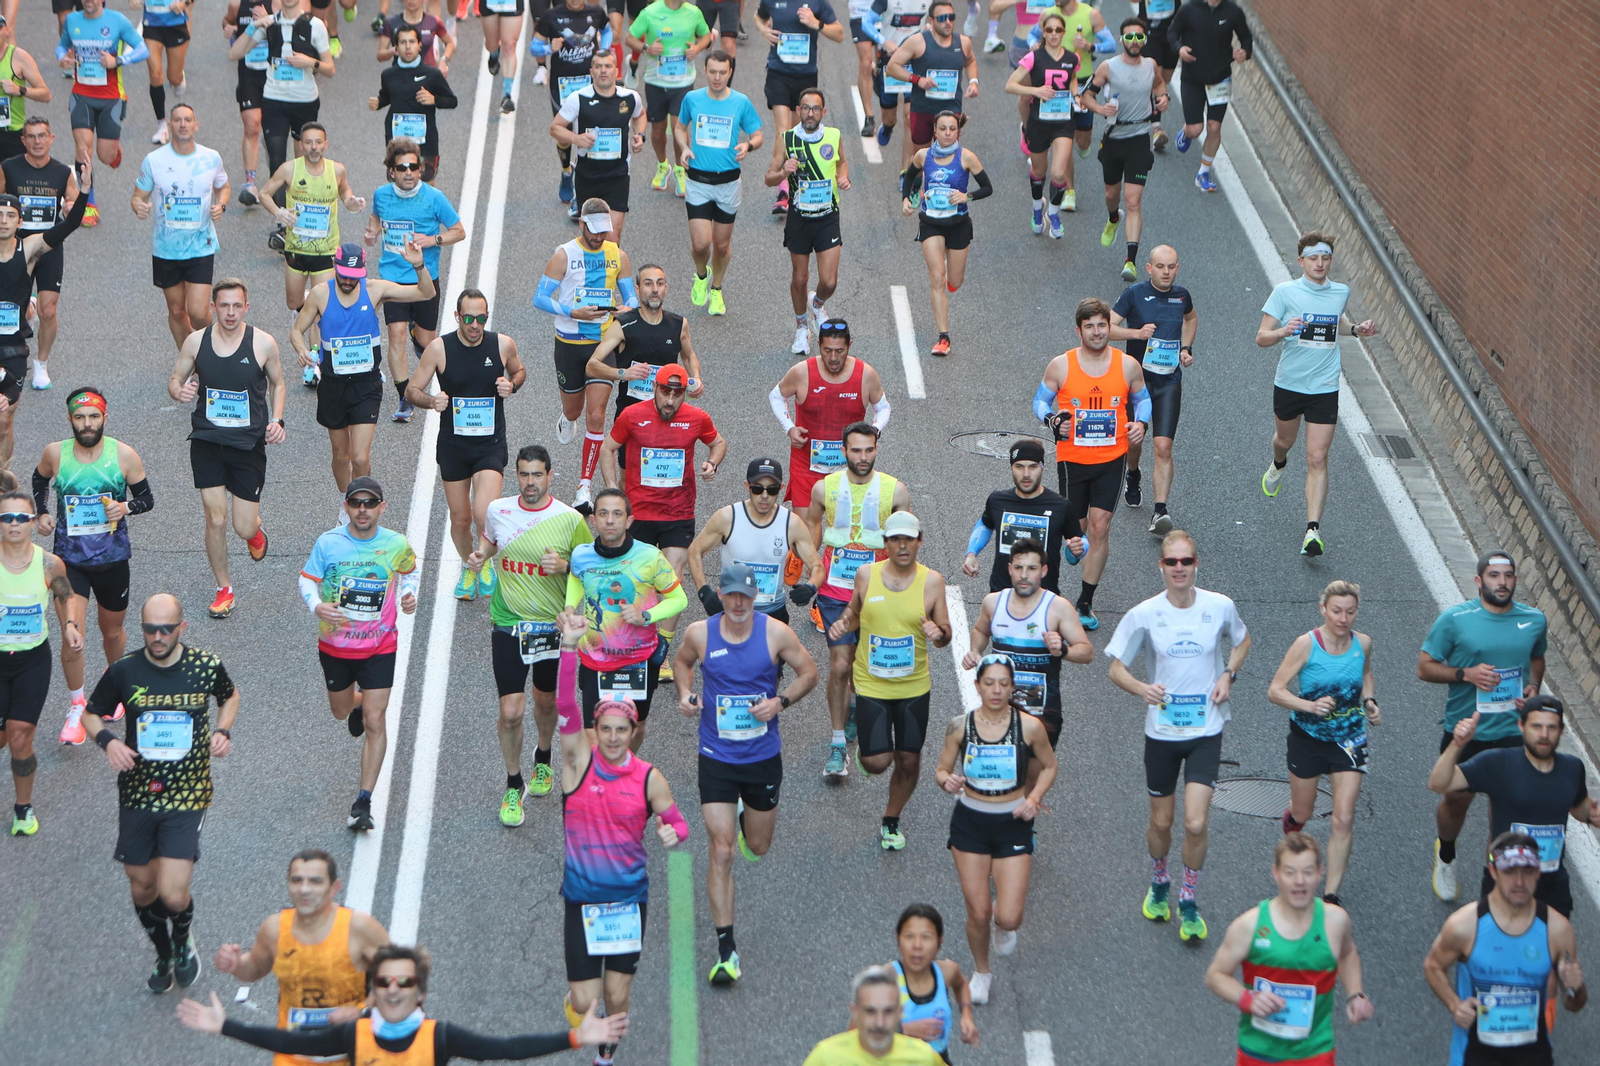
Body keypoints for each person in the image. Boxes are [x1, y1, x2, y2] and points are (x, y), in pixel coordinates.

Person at [81, 593, 238, 992]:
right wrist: (107, 742)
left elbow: (230, 695)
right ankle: (164, 950)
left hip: (188, 792)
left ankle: (183, 942)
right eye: (150, 628)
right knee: (141, 883)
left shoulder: (204, 665)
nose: (157, 636)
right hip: (138, 790)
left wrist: (222, 730)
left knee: (171, 891)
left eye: (166, 629)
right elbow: (91, 712)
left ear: (182, 628)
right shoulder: (124, 670)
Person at [551, 607, 687, 1066]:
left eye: (621, 730)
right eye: (605, 729)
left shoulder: (650, 778)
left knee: (617, 994)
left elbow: (679, 822)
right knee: (586, 1006)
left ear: (633, 732)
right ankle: (586, 1021)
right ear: (595, 730)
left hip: (627, 901)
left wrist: (674, 833)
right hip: (583, 899)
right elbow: (565, 706)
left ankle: (606, 1058)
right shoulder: (576, 765)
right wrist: (570, 647)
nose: (611, 738)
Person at [673, 561, 818, 984]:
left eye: (745, 596)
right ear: (721, 594)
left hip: (761, 756)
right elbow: (682, 664)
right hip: (716, 755)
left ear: (755, 598)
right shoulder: (700, 633)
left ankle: (744, 818)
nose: (737, 603)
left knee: (758, 845)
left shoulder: (776, 633)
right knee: (721, 850)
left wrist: (782, 703)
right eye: (731, 594)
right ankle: (726, 950)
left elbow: (809, 673)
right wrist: (684, 693)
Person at [1105, 529, 1249, 942]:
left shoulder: (1219, 607)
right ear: (1161, 567)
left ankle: (1188, 898)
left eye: (1186, 561)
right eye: (1172, 562)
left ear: (1197, 564)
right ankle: (1159, 880)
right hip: (1163, 733)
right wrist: (1142, 689)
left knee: (1197, 821)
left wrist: (1228, 673)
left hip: (1206, 729)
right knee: (1162, 822)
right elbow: (1115, 666)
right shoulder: (1145, 614)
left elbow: (1242, 641)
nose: (1180, 568)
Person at [177, 943, 630, 1059]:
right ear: (373, 992)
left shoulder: (441, 1038)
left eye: (404, 983)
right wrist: (225, 1026)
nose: (394, 989)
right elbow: (291, 1043)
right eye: (386, 982)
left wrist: (575, 1036)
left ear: (421, 992)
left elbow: (507, 1049)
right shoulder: (353, 1035)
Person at [465, 444, 594, 826]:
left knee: (546, 700)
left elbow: (591, 569)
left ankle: (542, 757)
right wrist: (481, 555)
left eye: (538, 474)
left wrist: (566, 564)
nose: (530, 482)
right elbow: (490, 540)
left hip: (551, 626)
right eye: (524, 474)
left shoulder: (570, 519)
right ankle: (512, 782)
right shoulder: (498, 510)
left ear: (551, 475)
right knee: (510, 710)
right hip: (509, 622)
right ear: (516, 476)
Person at [1418, 550, 1549, 903]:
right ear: (1479, 581)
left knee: (1505, 808)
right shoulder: (1455, 620)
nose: (1502, 582)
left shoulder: (1534, 619)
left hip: (1512, 731)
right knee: (1456, 800)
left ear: (1515, 580)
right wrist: (1466, 674)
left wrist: (1533, 686)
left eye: (1508, 576)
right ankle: (1446, 853)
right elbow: (1425, 667)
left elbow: (1536, 657)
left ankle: (1497, 881)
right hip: (1466, 730)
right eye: (1494, 576)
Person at [32, 387, 153, 747]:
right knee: (74, 635)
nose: (87, 424)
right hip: (70, 563)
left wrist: (126, 508)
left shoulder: (123, 455)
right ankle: (77, 706)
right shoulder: (56, 453)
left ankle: (114, 686)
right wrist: (41, 513)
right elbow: (40, 480)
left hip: (113, 559)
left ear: (105, 418)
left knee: (112, 633)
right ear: (70, 419)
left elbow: (147, 497)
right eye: (80, 417)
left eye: (94, 417)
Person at [933, 653, 1055, 1004]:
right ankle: (981, 972)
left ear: (1013, 687)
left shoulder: (1029, 727)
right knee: (978, 911)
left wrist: (1034, 798)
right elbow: (940, 770)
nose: (996, 690)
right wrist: (948, 780)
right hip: (970, 822)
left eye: (1003, 684)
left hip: (1012, 823)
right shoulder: (960, 726)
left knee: (1009, 916)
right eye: (989, 683)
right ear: (977, 686)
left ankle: (1003, 927)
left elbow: (1048, 766)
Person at [300, 477, 420, 832]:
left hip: (380, 646)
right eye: (356, 503)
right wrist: (317, 606)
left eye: (370, 503)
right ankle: (355, 702)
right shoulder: (328, 543)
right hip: (336, 647)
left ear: (382, 507)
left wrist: (408, 596)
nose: (363, 510)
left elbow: (409, 572)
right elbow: (307, 579)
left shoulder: (396, 544)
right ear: (346, 507)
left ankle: (363, 801)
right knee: (340, 711)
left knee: (374, 721)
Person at [828, 511, 950, 850]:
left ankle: (891, 819)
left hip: (913, 686)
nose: (902, 546)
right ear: (885, 544)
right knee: (876, 761)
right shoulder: (867, 575)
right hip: (872, 683)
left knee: (909, 759)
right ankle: (874, 752)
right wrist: (843, 624)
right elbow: (853, 612)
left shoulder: (932, 582)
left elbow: (945, 636)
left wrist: (937, 633)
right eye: (896, 539)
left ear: (919, 541)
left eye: (909, 539)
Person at [168, 278, 286, 619]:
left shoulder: (263, 343)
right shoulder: (195, 341)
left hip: (247, 444)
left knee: (242, 526)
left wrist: (277, 420)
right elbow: (174, 380)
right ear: (213, 308)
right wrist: (179, 392)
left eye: (237, 306)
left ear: (246, 307)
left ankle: (255, 532)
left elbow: (279, 384)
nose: (230, 312)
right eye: (224, 306)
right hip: (207, 440)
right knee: (215, 517)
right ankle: (224, 588)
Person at [599, 360, 725, 679]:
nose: (670, 400)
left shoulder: (697, 418)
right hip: (639, 513)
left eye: (677, 393)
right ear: (654, 388)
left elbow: (718, 443)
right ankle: (629, 644)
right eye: (665, 392)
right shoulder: (632, 415)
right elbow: (608, 448)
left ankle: (661, 652)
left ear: (685, 393)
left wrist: (712, 463)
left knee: (672, 580)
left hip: (678, 513)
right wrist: (614, 489)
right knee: (638, 581)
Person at [1204, 834, 1375, 1064]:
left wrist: (1355, 993)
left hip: (1315, 1051)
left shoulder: (1335, 921)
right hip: (1259, 1051)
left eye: (1307, 872)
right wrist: (1247, 999)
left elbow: (1346, 954)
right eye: (1290, 872)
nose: (1299, 882)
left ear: (1319, 873)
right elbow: (1215, 975)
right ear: (1275, 874)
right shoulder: (1249, 925)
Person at [1256, 231, 1377, 556]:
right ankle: (1278, 464)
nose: (1320, 263)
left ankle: (1312, 530)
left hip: (1325, 386)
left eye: (1325, 258)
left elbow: (1332, 322)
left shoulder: (1340, 292)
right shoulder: (1285, 292)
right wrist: (1282, 331)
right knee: (1284, 441)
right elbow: (1261, 337)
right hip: (1290, 384)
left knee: (1318, 457)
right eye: (1313, 258)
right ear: (1301, 261)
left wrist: (1355, 330)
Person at [1423, 831, 1588, 1066]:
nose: (1519, 881)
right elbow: (1433, 965)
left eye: (1527, 871)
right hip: (1473, 1056)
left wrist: (1576, 988)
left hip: (1533, 1056)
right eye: (1510, 871)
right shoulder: (1465, 925)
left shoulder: (1557, 930)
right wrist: (1454, 1004)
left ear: (1538, 872)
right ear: (1493, 872)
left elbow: (1574, 1003)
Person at [1034, 296, 1149, 629]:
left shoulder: (1127, 365)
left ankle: (1085, 602)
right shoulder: (1061, 365)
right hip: (1073, 460)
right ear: (1079, 330)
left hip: (1112, 458)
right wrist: (1053, 421)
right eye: (1090, 327)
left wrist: (1140, 424)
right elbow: (1040, 400)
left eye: (1102, 325)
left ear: (1109, 329)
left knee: (1100, 527)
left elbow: (1143, 401)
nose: (1097, 332)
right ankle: (1075, 540)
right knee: (1079, 529)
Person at [1429, 696, 1599, 920]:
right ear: (1521, 726)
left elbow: (1578, 807)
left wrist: (1591, 814)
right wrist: (1457, 744)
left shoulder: (1572, 767)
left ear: (1562, 731)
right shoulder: (1497, 763)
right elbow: (1438, 783)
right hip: (1504, 883)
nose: (1544, 735)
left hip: (1552, 886)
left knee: (1553, 952)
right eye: (1536, 726)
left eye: (1551, 727)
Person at [406, 288, 526, 601]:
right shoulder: (438, 349)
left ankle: (484, 561)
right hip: (454, 446)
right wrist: (432, 401)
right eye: (469, 318)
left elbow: (519, 370)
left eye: (482, 318)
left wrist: (511, 384)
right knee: (460, 520)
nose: (475, 325)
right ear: (457, 316)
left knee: (484, 514)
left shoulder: (502, 344)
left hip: (490, 444)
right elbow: (411, 390)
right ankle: (470, 565)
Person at [804, 421, 909, 778]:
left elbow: (903, 544)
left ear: (876, 449)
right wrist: (810, 565)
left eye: (869, 450)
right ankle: (837, 746)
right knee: (839, 664)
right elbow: (813, 527)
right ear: (843, 450)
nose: (863, 457)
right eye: (855, 450)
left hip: (877, 592)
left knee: (865, 666)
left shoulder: (895, 491)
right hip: (834, 591)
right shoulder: (824, 488)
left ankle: (853, 709)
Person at [294, 242, 435, 500]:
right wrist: (303, 350)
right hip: (333, 386)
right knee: (341, 455)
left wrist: (418, 264)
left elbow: (426, 292)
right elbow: (296, 331)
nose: (348, 282)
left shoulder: (374, 289)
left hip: (366, 385)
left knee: (359, 457)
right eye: (344, 276)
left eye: (354, 277)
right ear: (335, 268)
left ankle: (362, 504)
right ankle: (343, 504)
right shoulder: (319, 294)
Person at [209, 849, 391, 1048]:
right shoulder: (274, 928)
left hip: (352, 1048)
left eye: (315, 881)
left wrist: (361, 1011)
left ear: (334, 888)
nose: (304, 889)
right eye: (297, 881)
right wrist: (236, 965)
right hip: (295, 1050)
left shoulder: (359, 928)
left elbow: (402, 978)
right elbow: (254, 968)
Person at [1267, 579, 1377, 906]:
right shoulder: (1306, 644)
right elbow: (1275, 690)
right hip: (1308, 738)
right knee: (1304, 811)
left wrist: (1370, 701)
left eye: (1350, 612)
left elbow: (1367, 675)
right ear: (1323, 610)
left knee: (1343, 817)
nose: (1343, 619)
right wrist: (1308, 706)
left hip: (1349, 739)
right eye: (1336, 611)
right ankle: (1293, 826)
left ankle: (1330, 895)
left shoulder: (1364, 643)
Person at [566, 487, 689, 748]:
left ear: (629, 521)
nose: (610, 520)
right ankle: (602, 782)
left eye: (617, 514)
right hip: (595, 658)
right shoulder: (581, 555)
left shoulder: (650, 557)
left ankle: (627, 772)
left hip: (638, 660)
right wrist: (569, 608)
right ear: (593, 520)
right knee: (593, 733)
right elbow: (577, 579)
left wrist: (645, 616)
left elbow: (679, 599)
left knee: (635, 726)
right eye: (603, 514)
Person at [582, 263, 702, 510]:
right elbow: (592, 365)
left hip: (668, 413)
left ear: (666, 288)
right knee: (630, 480)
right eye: (648, 284)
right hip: (632, 416)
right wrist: (624, 373)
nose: (654, 290)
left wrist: (696, 378)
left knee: (667, 475)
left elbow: (688, 355)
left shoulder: (678, 325)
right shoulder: (624, 324)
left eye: (659, 283)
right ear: (637, 289)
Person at [365, 137, 464, 423]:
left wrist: (433, 239)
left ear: (421, 170)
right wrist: (372, 233)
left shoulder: (435, 198)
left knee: (425, 341)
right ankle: (405, 397)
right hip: (392, 279)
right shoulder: (381, 195)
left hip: (424, 280)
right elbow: (375, 218)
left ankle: (415, 333)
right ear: (391, 171)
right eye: (402, 167)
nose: (408, 172)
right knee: (394, 335)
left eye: (413, 167)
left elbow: (459, 231)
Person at [259, 122, 366, 388]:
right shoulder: (289, 169)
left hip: (326, 250)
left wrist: (353, 202)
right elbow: (263, 193)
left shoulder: (337, 169)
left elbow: (346, 193)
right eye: (308, 142)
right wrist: (278, 213)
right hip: (296, 250)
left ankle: (315, 364)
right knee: (295, 303)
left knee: (320, 309)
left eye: (318, 142)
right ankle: (303, 318)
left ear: (325, 144)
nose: (313, 148)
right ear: (302, 145)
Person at [961, 538, 1091, 752]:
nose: (1024, 575)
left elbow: (1086, 652)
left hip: (1042, 711)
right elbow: (981, 631)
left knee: (1033, 776)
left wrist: (1063, 650)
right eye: (1019, 568)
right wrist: (975, 651)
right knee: (1002, 776)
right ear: (1010, 569)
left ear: (1044, 570)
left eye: (1032, 568)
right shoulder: (993, 602)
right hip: (999, 707)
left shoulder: (1058, 607)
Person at [0, 488, 78, 837]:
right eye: (6, 518)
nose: (14, 524)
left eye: (21, 518)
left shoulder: (48, 563)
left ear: (32, 522)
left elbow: (66, 594)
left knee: (20, 736)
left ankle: (23, 808)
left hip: (32, 660)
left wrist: (71, 627)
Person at [0, 165, 89, 467]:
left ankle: (2, 479)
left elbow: (69, 226)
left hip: (12, 346)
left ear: (20, 221)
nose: (3, 221)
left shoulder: (28, 249)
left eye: (10, 216)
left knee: (4, 418)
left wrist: (85, 192)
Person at [534, 204, 638, 451]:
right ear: (581, 223)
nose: (599, 237)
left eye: (603, 231)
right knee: (574, 410)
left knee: (595, 416)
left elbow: (631, 297)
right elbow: (540, 297)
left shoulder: (618, 255)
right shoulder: (564, 255)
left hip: (603, 342)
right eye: (594, 231)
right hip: (569, 341)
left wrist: (628, 308)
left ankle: (586, 484)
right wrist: (572, 312)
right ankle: (568, 419)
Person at [131, 103, 230, 351]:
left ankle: (211, 350)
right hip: (166, 248)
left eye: (188, 120)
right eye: (177, 120)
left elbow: (224, 186)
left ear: (196, 125)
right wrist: (138, 206)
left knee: (197, 312)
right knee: (176, 311)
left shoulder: (211, 157)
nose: (183, 124)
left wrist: (222, 205)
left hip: (201, 244)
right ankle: (190, 360)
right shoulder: (154, 160)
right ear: (170, 125)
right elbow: (137, 195)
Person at [1109, 243, 1194, 530]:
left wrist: (1186, 348)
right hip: (1137, 384)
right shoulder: (1134, 294)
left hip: (1169, 381)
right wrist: (1136, 332)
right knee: (1135, 440)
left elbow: (1191, 318)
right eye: (1160, 267)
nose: (1166, 272)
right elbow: (1107, 327)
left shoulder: (1182, 296)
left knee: (1163, 447)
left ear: (1177, 268)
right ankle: (1133, 473)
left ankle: (1160, 510)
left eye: (1171, 267)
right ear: (1149, 268)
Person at [769, 320, 888, 516]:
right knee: (806, 538)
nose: (833, 358)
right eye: (827, 350)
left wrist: (875, 430)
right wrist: (789, 428)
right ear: (819, 346)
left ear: (850, 345)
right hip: (807, 465)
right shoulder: (802, 372)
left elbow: (882, 407)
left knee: (846, 534)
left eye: (840, 351)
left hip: (850, 468)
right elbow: (776, 396)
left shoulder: (865, 374)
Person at [676, 50, 763, 314]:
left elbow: (758, 134)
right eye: (712, 71)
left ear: (730, 72)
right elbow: (680, 127)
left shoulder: (741, 102)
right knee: (701, 244)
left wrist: (748, 145)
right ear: (705, 70)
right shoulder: (692, 98)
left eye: (722, 72)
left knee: (722, 245)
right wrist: (683, 147)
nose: (716, 77)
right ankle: (701, 275)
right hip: (698, 180)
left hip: (728, 183)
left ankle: (716, 289)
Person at [765, 86, 850, 355]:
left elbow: (842, 163)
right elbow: (768, 177)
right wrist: (782, 171)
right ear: (798, 110)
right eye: (805, 107)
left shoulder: (834, 136)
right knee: (800, 278)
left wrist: (843, 177)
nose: (810, 113)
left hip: (827, 216)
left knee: (829, 281)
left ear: (823, 112)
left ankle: (818, 304)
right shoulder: (787, 139)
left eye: (815, 108)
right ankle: (802, 327)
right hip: (800, 218)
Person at [687, 457, 820, 627]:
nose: (764, 496)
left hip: (774, 613)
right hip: (733, 611)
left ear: (781, 488)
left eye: (772, 490)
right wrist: (704, 591)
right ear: (746, 486)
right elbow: (694, 551)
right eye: (757, 489)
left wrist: (811, 587)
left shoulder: (791, 523)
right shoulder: (727, 517)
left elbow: (817, 566)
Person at [1080, 16, 1165, 280]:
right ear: (1122, 40)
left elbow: (1160, 85)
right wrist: (1100, 109)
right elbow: (1086, 96)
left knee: (1133, 200)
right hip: (1114, 136)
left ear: (1144, 40)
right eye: (1129, 37)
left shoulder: (1151, 65)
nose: (1134, 41)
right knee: (1111, 194)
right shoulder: (1108, 67)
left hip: (1140, 136)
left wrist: (1163, 98)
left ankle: (1131, 260)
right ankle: (1112, 218)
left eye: (1139, 37)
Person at [899, 109, 989, 357]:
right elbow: (909, 176)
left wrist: (967, 195)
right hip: (931, 224)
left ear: (958, 131)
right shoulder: (923, 155)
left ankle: (950, 280)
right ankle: (943, 336)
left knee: (954, 281)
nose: (947, 133)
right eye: (942, 129)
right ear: (935, 131)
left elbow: (987, 188)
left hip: (958, 225)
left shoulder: (967, 157)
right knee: (937, 277)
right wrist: (906, 198)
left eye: (952, 129)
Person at [227, 0, 335, 205]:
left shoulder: (315, 25)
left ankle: (299, 209)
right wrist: (253, 26)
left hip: (305, 100)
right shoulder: (269, 23)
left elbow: (330, 69)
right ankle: (282, 221)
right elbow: (235, 54)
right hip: (274, 99)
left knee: (301, 162)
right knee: (277, 162)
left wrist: (310, 62)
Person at [57, 0, 148, 227]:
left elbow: (142, 49)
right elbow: (62, 45)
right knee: (82, 148)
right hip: (81, 94)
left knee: (105, 157)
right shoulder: (72, 20)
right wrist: (63, 58)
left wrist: (117, 60)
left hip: (111, 98)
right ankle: (89, 203)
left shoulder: (116, 20)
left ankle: (114, 152)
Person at [0, 118, 73, 393]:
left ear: (51, 138)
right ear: (23, 141)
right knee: (10, 303)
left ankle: (41, 363)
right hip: (15, 247)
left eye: (42, 136)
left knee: (49, 310)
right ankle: (26, 307)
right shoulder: (9, 167)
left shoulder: (63, 172)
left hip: (47, 246)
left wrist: (70, 205)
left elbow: (74, 200)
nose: (37, 141)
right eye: (31, 136)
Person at [960, 437, 1083, 598]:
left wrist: (1079, 549)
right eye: (1019, 467)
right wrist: (971, 554)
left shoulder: (1061, 506)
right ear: (1012, 468)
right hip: (1002, 595)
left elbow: (1081, 540)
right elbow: (985, 524)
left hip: (1044, 599)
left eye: (1033, 467)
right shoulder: (997, 501)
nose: (1026, 474)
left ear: (1042, 468)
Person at [753, 0, 844, 214]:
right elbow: (758, 16)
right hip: (778, 73)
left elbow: (839, 34)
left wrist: (816, 23)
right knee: (783, 133)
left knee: (797, 136)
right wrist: (763, 29)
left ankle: (797, 184)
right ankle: (783, 191)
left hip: (805, 77)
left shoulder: (818, 3)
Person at [626, 0, 713, 197]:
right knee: (657, 132)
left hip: (683, 82)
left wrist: (697, 49)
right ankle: (663, 165)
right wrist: (647, 47)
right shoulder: (650, 12)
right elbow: (629, 38)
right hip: (655, 81)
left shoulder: (694, 12)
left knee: (678, 127)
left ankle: (681, 169)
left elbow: (707, 35)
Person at [550, 51, 646, 229]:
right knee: (591, 236)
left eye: (608, 66)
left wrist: (640, 135)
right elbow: (555, 128)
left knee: (612, 236)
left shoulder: (630, 97)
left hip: (618, 175)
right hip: (588, 175)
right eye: (598, 67)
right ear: (591, 72)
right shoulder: (578, 98)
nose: (603, 71)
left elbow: (640, 115)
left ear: (615, 70)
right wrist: (576, 138)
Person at [1005, 12, 1077, 239]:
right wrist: (1035, 91)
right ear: (1043, 32)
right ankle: (1038, 208)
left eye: (1058, 30)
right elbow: (1010, 85)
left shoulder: (1072, 58)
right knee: (1039, 171)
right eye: (1049, 30)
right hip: (1038, 121)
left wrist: (1077, 96)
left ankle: (1054, 214)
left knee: (1058, 173)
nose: (1054, 34)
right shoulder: (1034, 57)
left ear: (1064, 32)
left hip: (1063, 122)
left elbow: (1072, 79)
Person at [532, 0, 612, 206]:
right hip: (562, 84)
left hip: (590, 82)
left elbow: (607, 30)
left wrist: (603, 50)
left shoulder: (596, 12)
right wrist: (549, 48)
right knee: (565, 133)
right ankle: (566, 170)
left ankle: (584, 188)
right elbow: (534, 47)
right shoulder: (551, 16)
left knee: (590, 132)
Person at [1166, 0, 1249, 193]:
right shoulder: (1189, 9)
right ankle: (1186, 132)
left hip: (1220, 78)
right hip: (1192, 78)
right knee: (1196, 129)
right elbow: (1172, 33)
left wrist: (1245, 52)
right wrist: (1179, 48)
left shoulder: (1233, 11)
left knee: (1215, 127)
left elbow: (1246, 37)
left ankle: (1203, 172)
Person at [880, 904, 978, 1059]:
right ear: (898, 940)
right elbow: (857, 1031)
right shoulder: (885, 978)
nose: (917, 945)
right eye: (909, 936)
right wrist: (902, 1030)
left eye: (926, 937)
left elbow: (961, 985)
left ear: (939, 943)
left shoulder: (947, 972)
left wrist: (966, 1014)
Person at [885, 0, 977, 162]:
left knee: (947, 159)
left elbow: (969, 61)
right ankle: (915, 185)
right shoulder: (917, 42)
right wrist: (917, 79)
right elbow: (892, 66)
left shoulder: (963, 42)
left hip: (950, 110)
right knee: (922, 158)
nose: (948, 22)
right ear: (931, 21)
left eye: (951, 17)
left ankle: (942, 187)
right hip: (922, 109)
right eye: (942, 18)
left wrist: (974, 81)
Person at [801, 966, 947, 1066]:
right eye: (870, 1011)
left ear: (899, 1013)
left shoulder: (923, 1057)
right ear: (855, 1012)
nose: (879, 1023)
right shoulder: (826, 1057)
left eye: (888, 1011)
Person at [368, 24, 457, 184]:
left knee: (427, 190)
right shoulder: (388, 75)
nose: (408, 46)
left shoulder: (432, 74)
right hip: (397, 141)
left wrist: (434, 99)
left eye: (412, 42)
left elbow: (452, 101)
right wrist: (378, 102)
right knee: (399, 188)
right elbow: (387, 96)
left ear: (419, 45)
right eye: (403, 42)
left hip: (425, 142)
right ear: (396, 47)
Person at [862, 0, 931, 172]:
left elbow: (938, 18)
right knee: (889, 117)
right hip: (889, 60)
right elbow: (865, 23)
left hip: (915, 60)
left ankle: (905, 170)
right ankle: (887, 127)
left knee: (909, 116)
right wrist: (884, 41)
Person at [224, 1, 271, 209]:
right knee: (252, 125)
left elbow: (292, 28)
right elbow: (227, 21)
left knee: (272, 131)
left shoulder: (278, 3)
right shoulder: (237, 4)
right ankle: (250, 183)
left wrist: (268, 17)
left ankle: (276, 183)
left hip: (275, 73)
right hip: (249, 73)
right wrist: (229, 28)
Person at [136, 0, 191, 146]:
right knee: (155, 75)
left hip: (175, 23)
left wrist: (185, 3)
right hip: (152, 24)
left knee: (174, 77)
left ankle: (179, 78)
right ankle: (162, 125)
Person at [0, 16, 50, 169]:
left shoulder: (19, 57)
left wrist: (20, 90)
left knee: (11, 183)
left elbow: (45, 94)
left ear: (7, 31)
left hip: (11, 130)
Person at [379, 0, 454, 73]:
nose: (412, 1)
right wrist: (391, 51)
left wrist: (444, 60)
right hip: (400, 76)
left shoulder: (433, 21)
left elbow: (449, 43)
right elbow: (380, 55)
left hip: (428, 75)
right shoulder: (392, 22)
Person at [483, 0, 530, 114]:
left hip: (512, 3)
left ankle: (507, 95)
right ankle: (494, 54)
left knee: (509, 46)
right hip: (490, 3)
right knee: (491, 43)